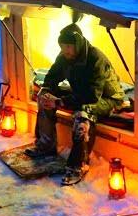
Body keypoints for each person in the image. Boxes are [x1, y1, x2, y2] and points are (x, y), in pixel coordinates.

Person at [24, 22, 125, 185]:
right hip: (81, 93)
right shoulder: (64, 56)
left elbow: (92, 96)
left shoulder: (95, 59)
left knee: (83, 114)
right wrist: (47, 91)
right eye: (62, 46)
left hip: (108, 98)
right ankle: (46, 145)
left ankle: (78, 165)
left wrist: (61, 101)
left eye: (68, 46)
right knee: (44, 98)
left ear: (77, 44)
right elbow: (53, 75)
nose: (65, 50)